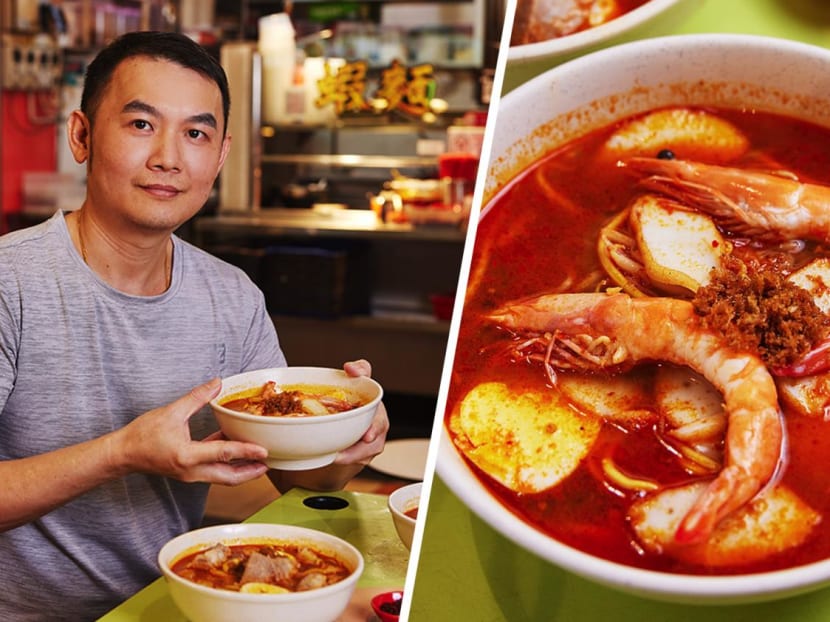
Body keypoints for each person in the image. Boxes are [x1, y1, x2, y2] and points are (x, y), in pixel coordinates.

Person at [0, 31, 388, 620]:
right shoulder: (12, 281)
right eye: (140, 125)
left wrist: (346, 440)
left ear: (221, 155)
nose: (169, 158)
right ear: (81, 135)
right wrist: (122, 452)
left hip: (183, 603)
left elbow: (294, 476)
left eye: (196, 133)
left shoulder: (231, 295)